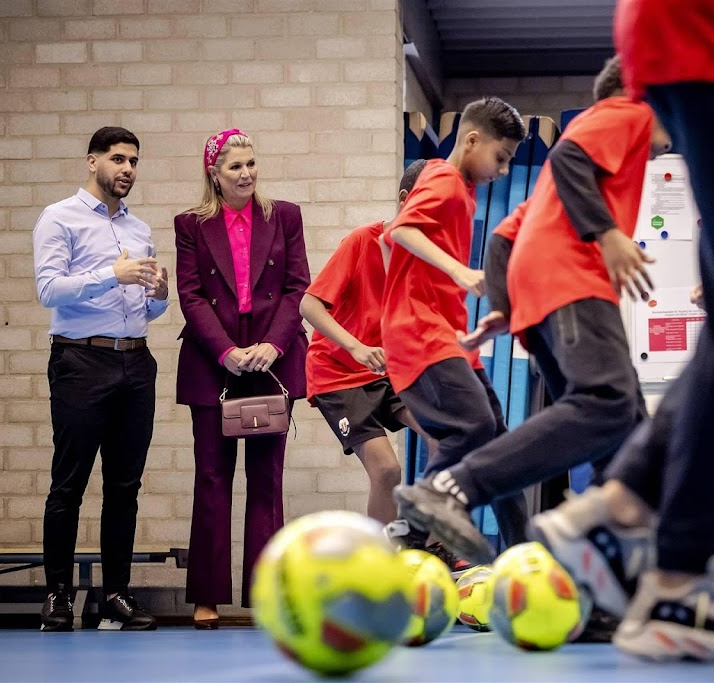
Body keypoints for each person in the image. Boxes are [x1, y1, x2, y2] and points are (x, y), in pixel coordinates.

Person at [528, 0, 714, 662]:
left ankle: (624, 506)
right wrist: (604, 232)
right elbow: (571, 157)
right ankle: (679, 574)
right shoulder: (607, 125)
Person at [392, 57, 669, 565]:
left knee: (625, 426)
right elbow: (567, 162)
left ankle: (602, 576)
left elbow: (503, 238)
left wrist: (507, 307)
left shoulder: (535, 190)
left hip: (542, 292)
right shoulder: (627, 110)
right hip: (570, 284)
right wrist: (606, 234)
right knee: (607, 401)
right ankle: (453, 488)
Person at [381, 97, 530, 553]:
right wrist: (461, 272)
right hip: (420, 332)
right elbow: (399, 231)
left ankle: (525, 551)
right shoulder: (445, 179)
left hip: (449, 335)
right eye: (500, 158)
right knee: (474, 427)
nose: (503, 172)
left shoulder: (461, 189)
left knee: (500, 448)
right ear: (471, 140)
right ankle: (415, 521)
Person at [174, 129, 310, 629]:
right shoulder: (189, 224)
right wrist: (226, 351)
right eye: (235, 167)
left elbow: (298, 287)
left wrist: (274, 344)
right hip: (215, 360)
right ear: (215, 172)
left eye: (251, 164)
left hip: (273, 356)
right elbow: (190, 295)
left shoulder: (285, 215)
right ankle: (207, 597)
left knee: (266, 481)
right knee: (210, 479)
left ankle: (266, 593)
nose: (247, 174)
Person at [34, 126, 167, 632]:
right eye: (118, 159)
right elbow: (49, 290)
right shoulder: (59, 217)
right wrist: (113, 275)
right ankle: (58, 595)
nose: (128, 169)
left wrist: (159, 292)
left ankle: (115, 594)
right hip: (80, 362)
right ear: (93, 162)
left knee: (125, 486)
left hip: (135, 361)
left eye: (134, 160)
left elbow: (149, 309)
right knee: (68, 484)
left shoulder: (139, 229)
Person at [301, 160, 434, 526]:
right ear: (406, 200)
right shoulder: (363, 241)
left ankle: (432, 539)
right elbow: (309, 305)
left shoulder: (424, 259)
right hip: (338, 373)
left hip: (386, 372)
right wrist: (357, 347)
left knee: (445, 432)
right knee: (387, 470)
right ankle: (378, 560)